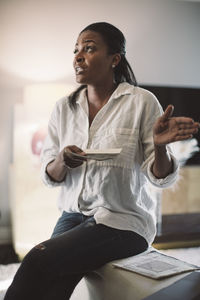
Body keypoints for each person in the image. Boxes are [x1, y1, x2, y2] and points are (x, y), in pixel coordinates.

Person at [5, 22, 199, 300]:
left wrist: (159, 147)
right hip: (72, 215)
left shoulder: (141, 102)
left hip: (122, 221)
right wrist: (62, 159)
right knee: (53, 280)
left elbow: (160, 177)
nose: (78, 56)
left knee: (38, 259)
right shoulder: (63, 108)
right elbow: (50, 174)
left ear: (114, 59)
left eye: (89, 48)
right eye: (76, 50)